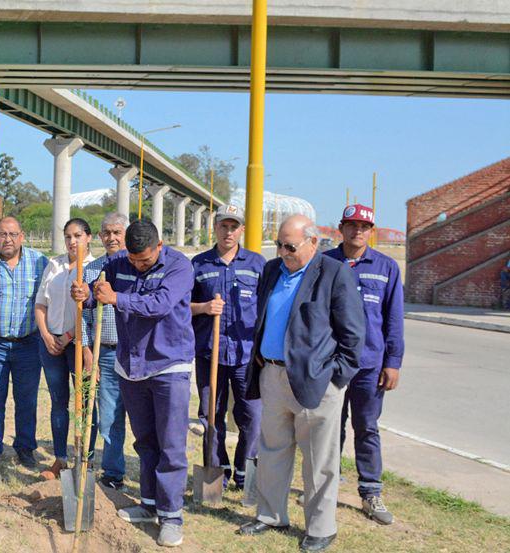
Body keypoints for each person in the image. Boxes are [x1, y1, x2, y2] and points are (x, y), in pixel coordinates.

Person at [238, 215, 365, 553]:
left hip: (316, 382)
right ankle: (270, 514)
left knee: (319, 459)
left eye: (289, 246)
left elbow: (353, 336)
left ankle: (321, 528)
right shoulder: (271, 270)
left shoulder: (335, 274)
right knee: (272, 450)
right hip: (273, 375)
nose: (282, 251)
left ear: (313, 242)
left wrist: (335, 377)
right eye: (279, 244)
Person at [71, 219, 195, 549]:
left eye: (145, 260)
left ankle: (171, 516)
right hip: (131, 366)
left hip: (169, 365)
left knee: (171, 444)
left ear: (160, 245)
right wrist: (85, 293)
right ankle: (150, 504)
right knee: (145, 442)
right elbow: (97, 290)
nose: (138, 265)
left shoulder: (180, 267)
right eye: (134, 259)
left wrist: (116, 299)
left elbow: (160, 305)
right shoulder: (117, 263)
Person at [324, 204, 404, 524]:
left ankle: (371, 492)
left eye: (364, 227)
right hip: (330, 362)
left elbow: (394, 318)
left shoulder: (386, 267)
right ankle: (327, 485)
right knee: (329, 428)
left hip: (369, 364)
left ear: (372, 232)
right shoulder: (324, 263)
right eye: (352, 225)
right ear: (340, 228)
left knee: (366, 428)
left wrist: (393, 361)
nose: (358, 231)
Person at [189, 204, 265, 490]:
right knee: (211, 415)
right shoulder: (199, 264)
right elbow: (182, 306)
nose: (228, 231)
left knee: (252, 416)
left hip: (247, 355)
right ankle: (217, 472)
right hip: (210, 353)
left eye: (234, 226)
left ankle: (246, 472)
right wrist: (204, 307)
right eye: (223, 225)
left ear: (241, 229)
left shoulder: (257, 265)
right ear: (216, 228)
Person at [0, 216, 48, 468]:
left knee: (26, 398)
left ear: (22, 236)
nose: (8, 239)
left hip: (29, 342)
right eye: (2, 234)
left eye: (13, 234)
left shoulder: (39, 263)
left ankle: (25, 447)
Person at [34, 218, 96, 481]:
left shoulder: (96, 268)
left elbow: (92, 312)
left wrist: (70, 336)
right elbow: (40, 303)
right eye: (68, 236)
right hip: (50, 342)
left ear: (89, 238)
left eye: (78, 236)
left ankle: (85, 460)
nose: (72, 241)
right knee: (59, 401)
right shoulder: (54, 265)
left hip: (79, 345)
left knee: (84, 403)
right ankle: (60, 458)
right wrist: (47, 335)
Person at [79, 212, 129, 490]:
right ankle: (113, 472)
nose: (111, 237)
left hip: (133, 353)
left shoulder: (134, 266)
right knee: (109, 414)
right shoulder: (92, 269)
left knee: (143, 417)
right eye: (107, 233)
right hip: (105, 352)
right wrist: (88, 352)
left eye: (117, 232)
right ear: (99, 236)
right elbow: (84, 317)